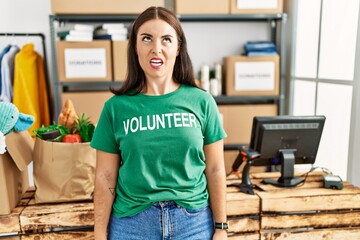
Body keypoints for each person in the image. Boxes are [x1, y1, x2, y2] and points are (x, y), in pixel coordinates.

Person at [90, 6, 228, 240]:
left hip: (193, 224)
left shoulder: (202, 102)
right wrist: (99, 233)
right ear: (135, 47)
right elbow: (104, 176)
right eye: (147, 39)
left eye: (166, 39)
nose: (157, 49)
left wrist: (221, 228)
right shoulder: (115, 108)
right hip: (132, 225)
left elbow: (215, 169)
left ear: (178, 47)